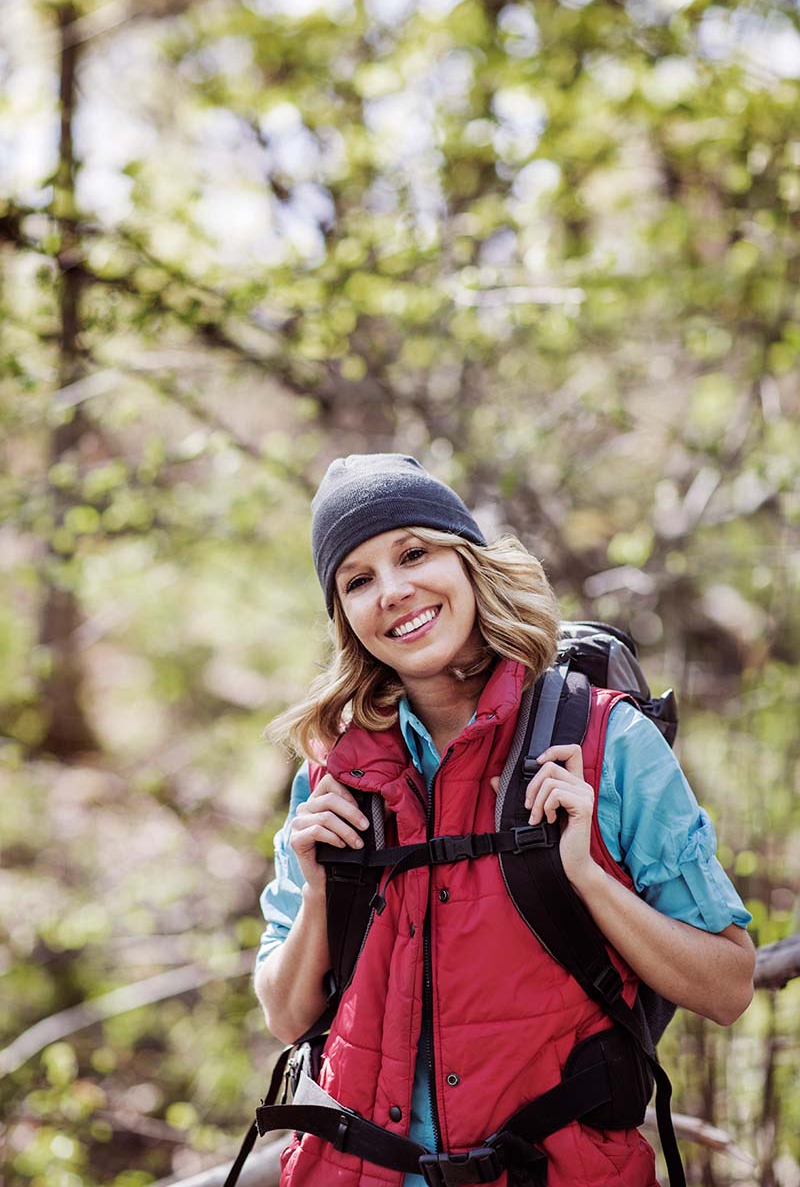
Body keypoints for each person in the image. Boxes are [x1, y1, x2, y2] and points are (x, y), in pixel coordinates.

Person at [254, 453, 755, 1187]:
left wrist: (584, 875)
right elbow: (285, 1016)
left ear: (469, 564)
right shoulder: (333, 775)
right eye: (357, 580)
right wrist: (321, 889)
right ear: (345, 618)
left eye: (413, 553)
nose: (392, 591)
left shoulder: (606, 743)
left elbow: (728, 986)